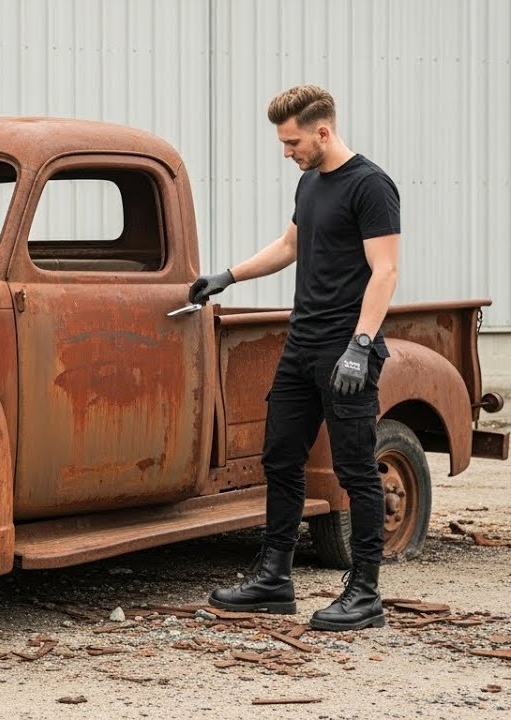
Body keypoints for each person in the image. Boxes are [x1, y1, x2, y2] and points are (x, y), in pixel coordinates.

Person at [190, 85, 400, 631]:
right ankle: (274, 578)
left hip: (345, 350)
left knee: (356, 470)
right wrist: (227, 276)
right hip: (302, 345)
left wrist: (360, 346)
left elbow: (386, 271)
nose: (287, 152)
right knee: (281, 457)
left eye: (292, 142)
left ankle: (365, 591)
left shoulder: (371, 186)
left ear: (322, 132)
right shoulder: (310, 183)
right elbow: (289, 247)